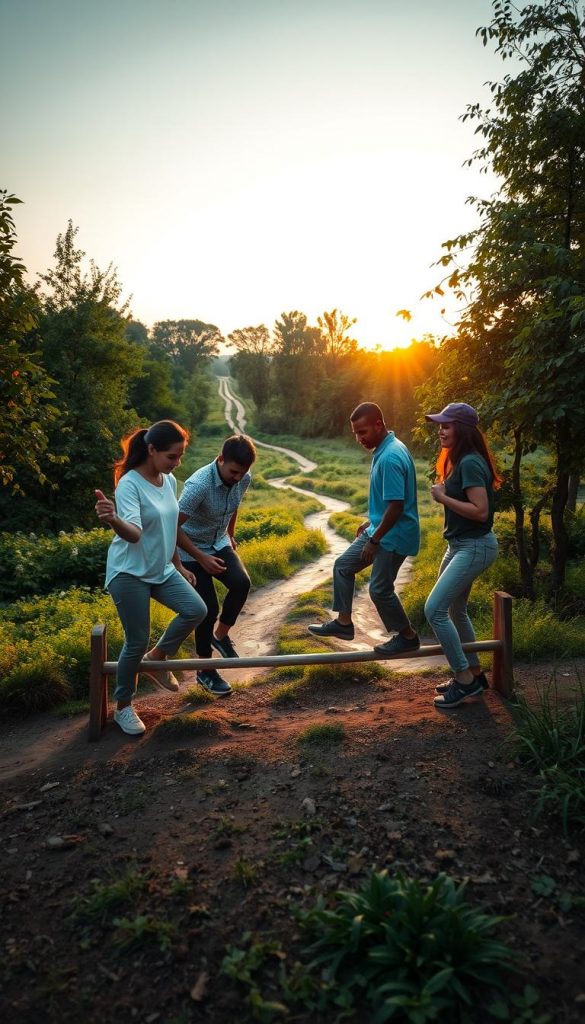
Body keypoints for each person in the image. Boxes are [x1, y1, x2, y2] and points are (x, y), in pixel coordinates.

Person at [95, 420, 207, 736]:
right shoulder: (130, 484)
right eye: (172, 456)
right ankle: (123, 707)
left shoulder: (168, 480)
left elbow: (168, 528)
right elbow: (133, 534)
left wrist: (179, 565)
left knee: (195, 610)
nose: (177, 463)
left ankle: (157, 659)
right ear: (152, 450)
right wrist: (113, 518)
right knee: (136, 639)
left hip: (161, 569)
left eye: (180, 456)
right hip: (129, 571)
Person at [308, 402, 420, 652]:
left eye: (363, 432)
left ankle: (408, 637)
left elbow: (397, 507)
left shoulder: (390, 457)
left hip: (393, 536)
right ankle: (344, 623)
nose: (359, 438)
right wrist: (372, 522)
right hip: (382, 529)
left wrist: (374, 539)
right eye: (356, 433)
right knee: (343, 567)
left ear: (379, 425)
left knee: (379, 589)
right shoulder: (386, 448)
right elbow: (388, 503)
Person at [423, 402, 501, 709]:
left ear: (463, 429)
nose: (440, 430)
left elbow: (481, 512)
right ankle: (475, 675)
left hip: (475, 545)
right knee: (456, 611)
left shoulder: (469, 462)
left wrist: (442, 496)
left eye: (447, 425)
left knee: (434, 610)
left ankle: (463, 680)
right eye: (440, 425)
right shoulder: (460, 461)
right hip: (459, 545)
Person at [177, 434, 256, 696]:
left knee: (241, 583)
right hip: (189, 548)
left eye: (242, 473)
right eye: (233, 471)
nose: (237, 478)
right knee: (207, 608)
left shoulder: (243, 478)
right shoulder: (199, 485)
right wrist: (201, 559)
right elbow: (172, 528)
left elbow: (234, 506)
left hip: (218, 540)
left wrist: (230, 535)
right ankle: (205, 670)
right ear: (221, 459)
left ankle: (220, 636)